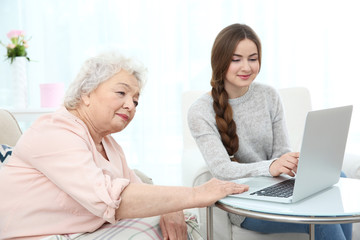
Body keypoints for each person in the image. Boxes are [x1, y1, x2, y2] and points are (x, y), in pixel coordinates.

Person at [0, 51, 249, 240]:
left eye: (136, 101)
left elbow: (138, 191)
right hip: (36, 236)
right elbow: (109, 198)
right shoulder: (55, 131)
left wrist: (172, 205)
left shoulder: (109, 145)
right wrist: (193, 195)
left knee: (184, 221)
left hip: (80, 232)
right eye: (121, 93)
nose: (130, 105)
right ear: (86, 93)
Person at [187, 23, 352, 240]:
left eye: (253, 58)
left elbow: (281, 152)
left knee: (337, 180)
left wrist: (290, 163)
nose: (246, 67)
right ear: (220, 61)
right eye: (236, 59)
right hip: (245, 201)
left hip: (278, 187)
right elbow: (221, 169)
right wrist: (271, 167)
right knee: (319, 217)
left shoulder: (269, 95)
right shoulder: (200, 111)